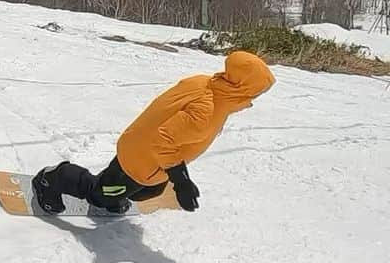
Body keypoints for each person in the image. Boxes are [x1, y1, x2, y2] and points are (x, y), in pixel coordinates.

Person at [32, 51, 275, 215]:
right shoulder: (207, 112)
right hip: (139, 161)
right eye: (258, 91)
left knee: (151, 189)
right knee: (102, 195)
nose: (257, 97)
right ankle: (52, 178)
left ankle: (117, 189)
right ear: (242, 87)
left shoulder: (205, 83)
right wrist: (181, 182)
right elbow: (163, 142)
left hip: (142, 149)